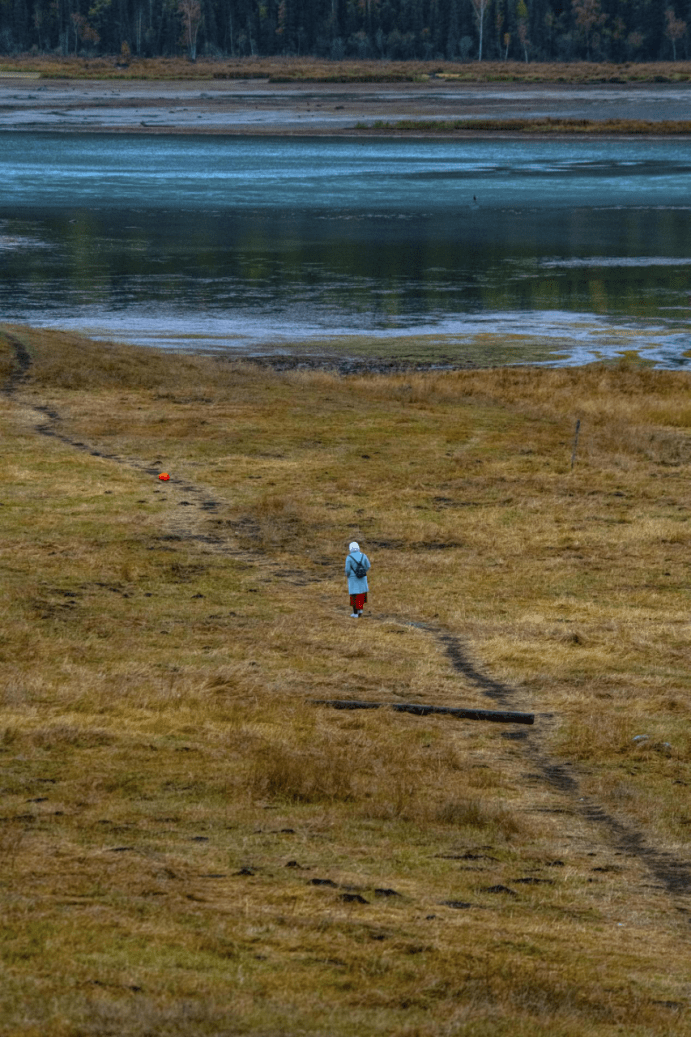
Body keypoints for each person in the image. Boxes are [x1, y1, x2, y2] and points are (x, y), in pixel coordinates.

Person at [345, 541, 371, 618]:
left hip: (353, 578)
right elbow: (368, 566)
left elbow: (347, 570)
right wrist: (363, 571)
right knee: (361, 594)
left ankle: (355, 613)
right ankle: (360, 610)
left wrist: (348, 575)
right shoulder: (363, 555)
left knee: (354, 595)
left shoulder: (349, 557)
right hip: (362, 577)